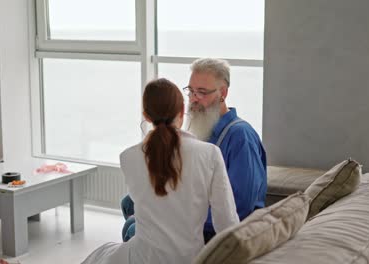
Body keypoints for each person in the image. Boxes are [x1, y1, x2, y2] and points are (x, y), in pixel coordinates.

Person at [83, 78, 239, 264]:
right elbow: (227, 223)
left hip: (142, 258)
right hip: (190, 259)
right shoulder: (209, 154)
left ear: (146, 116)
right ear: (182, 111)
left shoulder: (128, 157)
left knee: (98, 255)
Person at [121, 58, 267, 243]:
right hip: (192, 211)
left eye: (202, 92)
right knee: (129, 203)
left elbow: (240, 206)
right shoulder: (202, 128)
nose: (194, 99)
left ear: (223, 93)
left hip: (215, 231)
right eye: (191, 91)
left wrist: (171, 218)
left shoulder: (240, 137)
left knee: (134, 229)